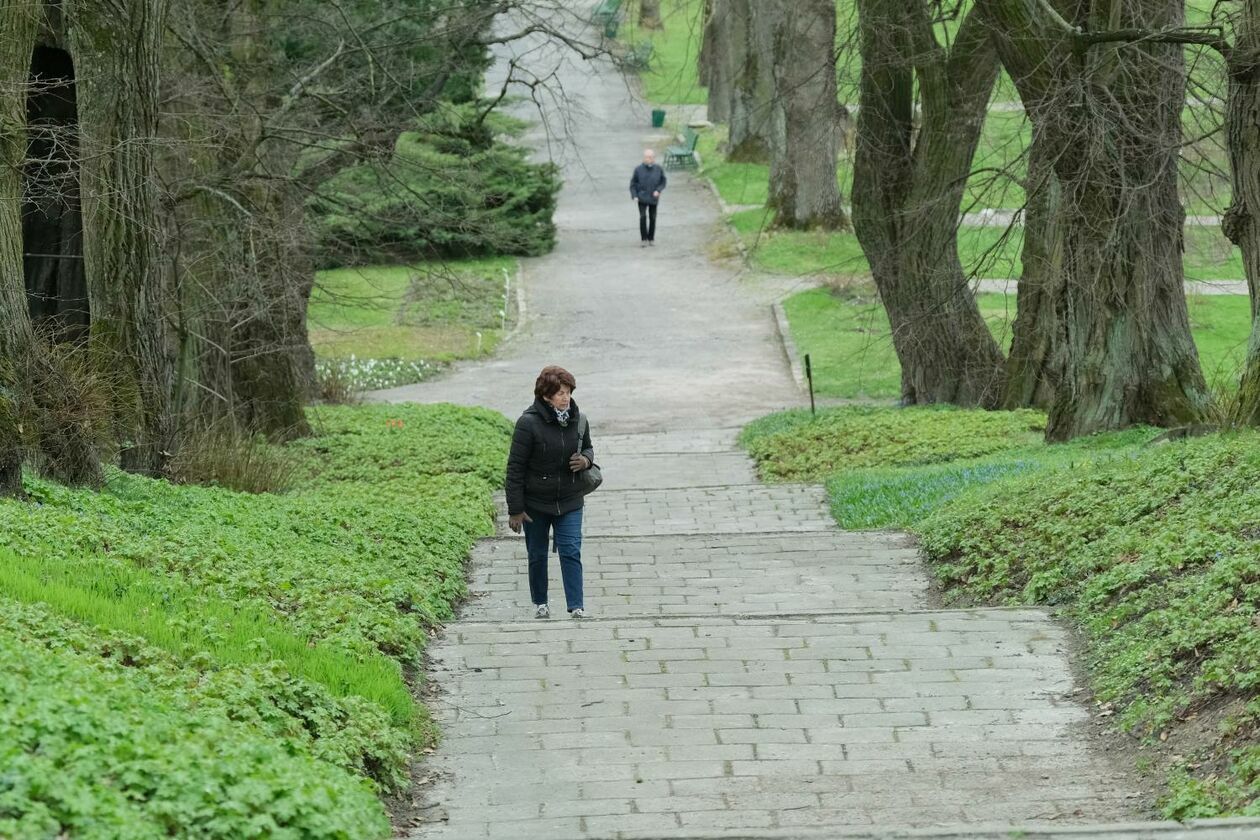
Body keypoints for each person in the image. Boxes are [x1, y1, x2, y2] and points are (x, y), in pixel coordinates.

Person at [505, 366, 595, 619]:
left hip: (570, 499)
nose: (565, 398)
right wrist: (515, 509)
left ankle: (576, 606)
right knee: (537, 554)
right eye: (559, 393)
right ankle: (541, 603)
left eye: (567, 392)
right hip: (535, 503)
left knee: (571, 550)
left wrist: (586, 460)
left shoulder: (579, 419)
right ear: (545, 395)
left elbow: (588, 448)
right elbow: (515, 468)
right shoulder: (528, 423)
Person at [630, 148, 667, 247]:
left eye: (651, 157)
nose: (649, 159)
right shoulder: (638, 170)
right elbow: (632, 184)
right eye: (647, 157)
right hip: (642, 197)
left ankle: (651, 238)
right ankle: (644, 238)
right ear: (644, 158)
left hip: (653, 197)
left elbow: (663, 181)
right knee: (643, 217)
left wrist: (658, 190)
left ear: (654, 158)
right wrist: (634, 196)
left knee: (653, 217)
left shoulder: (658, 169)